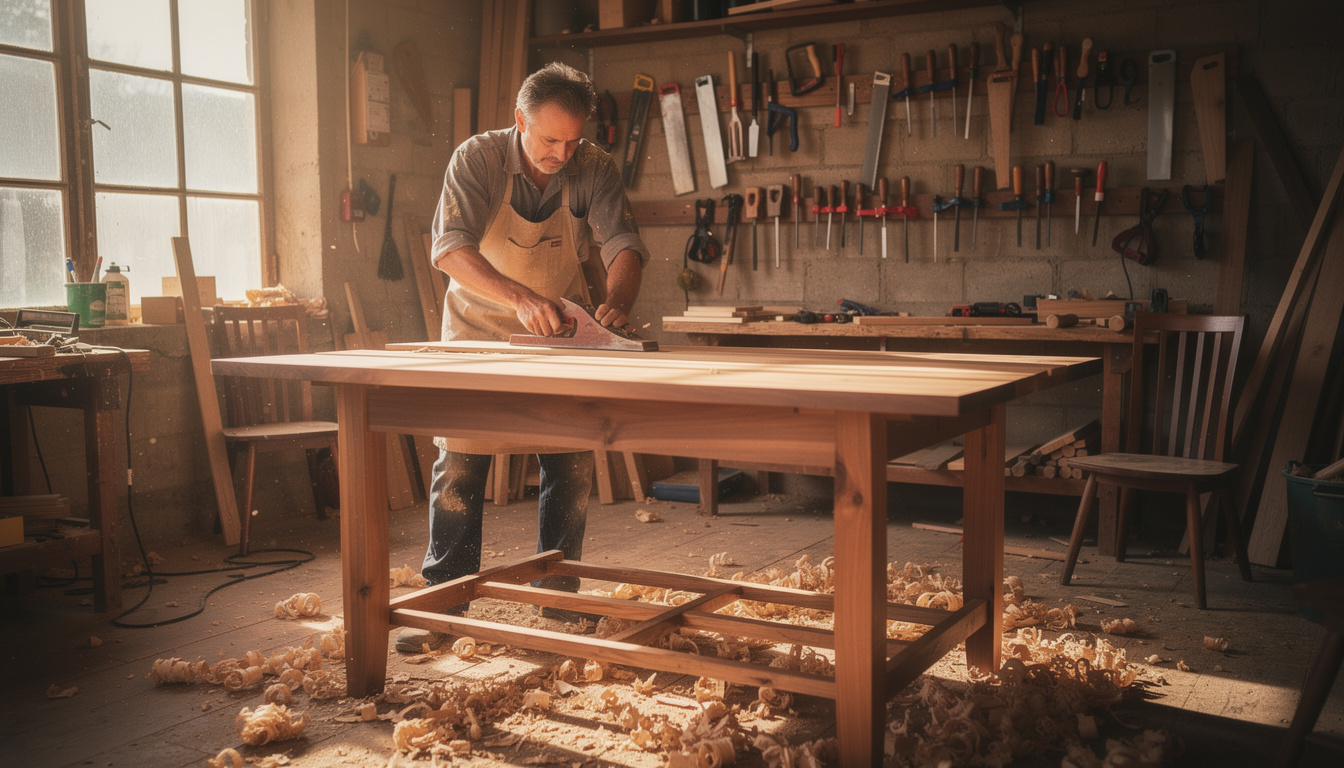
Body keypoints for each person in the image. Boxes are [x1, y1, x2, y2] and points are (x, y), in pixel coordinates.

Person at [397, 62, 648, 653]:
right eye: (548, 139)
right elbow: (450, 250)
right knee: (461, 464)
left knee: (571, 463)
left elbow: (624, 246)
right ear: (519, 121)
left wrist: (615, 302)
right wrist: (518, 297)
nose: (562, 153)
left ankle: (559, 598)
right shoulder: (477, 160)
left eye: (572, 140)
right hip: (478, 327)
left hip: (561, 330)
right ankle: (444, 603)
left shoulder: (593, 167)